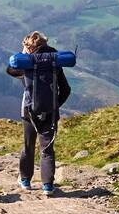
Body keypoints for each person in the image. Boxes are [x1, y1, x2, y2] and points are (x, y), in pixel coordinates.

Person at [5, 31, 71, 196]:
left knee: (28, 146)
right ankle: (48, 186)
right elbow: (66, 89)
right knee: (47, 148)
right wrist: (54, 105)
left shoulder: (26, 65)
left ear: (29, 46)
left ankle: (25, 181)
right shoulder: (55, 64)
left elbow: (9, 70)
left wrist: (25, 54)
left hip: (28, 111)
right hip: (50, 112)